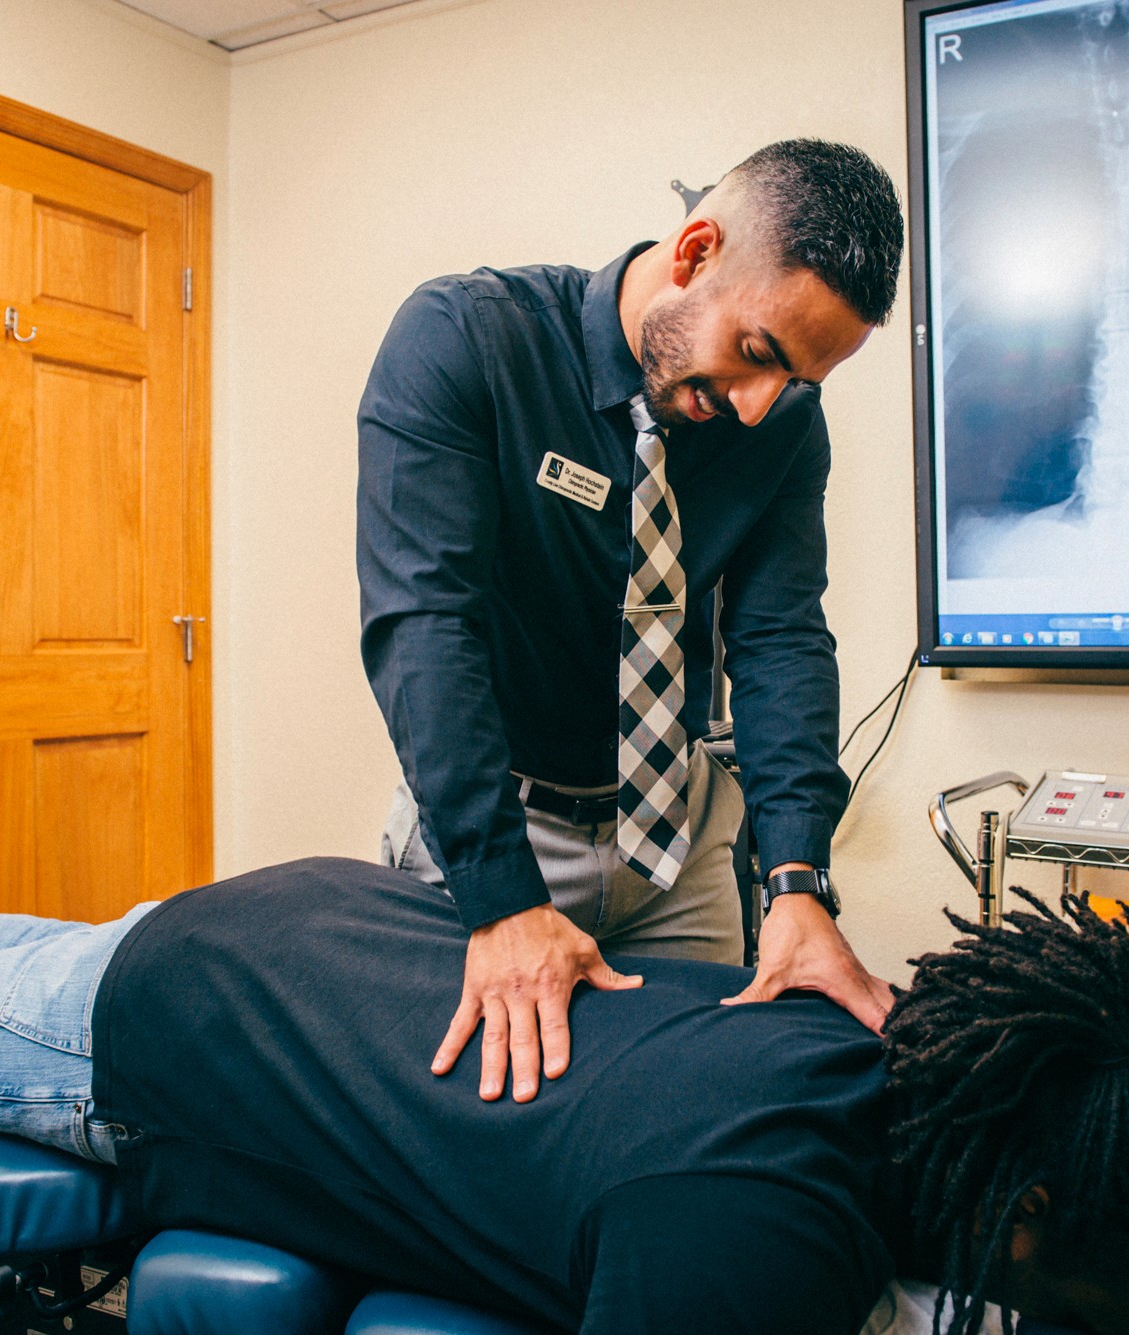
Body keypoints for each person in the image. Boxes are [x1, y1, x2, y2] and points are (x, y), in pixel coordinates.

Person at [0, 859, 1129, 1335]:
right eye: (1126, 1298)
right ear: (1032, 1209)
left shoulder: (863, 1038)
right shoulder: (755, 1238)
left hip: (321, 920)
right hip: (178, 1030)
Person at [357, 139, 905, 1103]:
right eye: (758, 355)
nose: (758, 407)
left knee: (692, 1109)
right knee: (482, 1123)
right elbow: (423, 624)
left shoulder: (779, 424)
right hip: (500, 828)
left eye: (797, 383)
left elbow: (781, 639)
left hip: (676, 836)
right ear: (694, 254)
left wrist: (796, 880)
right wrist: (504, 898)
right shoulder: (468, 339)